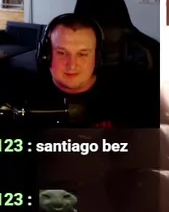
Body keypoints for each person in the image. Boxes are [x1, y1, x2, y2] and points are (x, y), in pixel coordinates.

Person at [26, 13, 158, 128]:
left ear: (98, 57)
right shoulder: (24, 95)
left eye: (83, 54)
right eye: (61, 53)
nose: (72, 65)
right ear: (46, 55)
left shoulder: (137, 96)